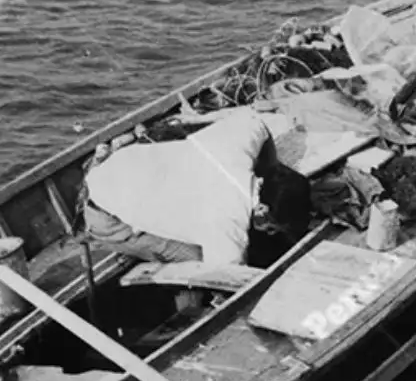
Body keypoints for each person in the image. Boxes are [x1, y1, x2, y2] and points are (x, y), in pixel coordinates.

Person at [83, 109, 310, 267]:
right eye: (271, 227)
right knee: (197, 256)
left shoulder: (236, 147)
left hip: (120, 162)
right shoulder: (226, 224)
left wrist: (270, 165)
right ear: (261, 212)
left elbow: (255, 123)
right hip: (105, 215)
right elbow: (225, 275)